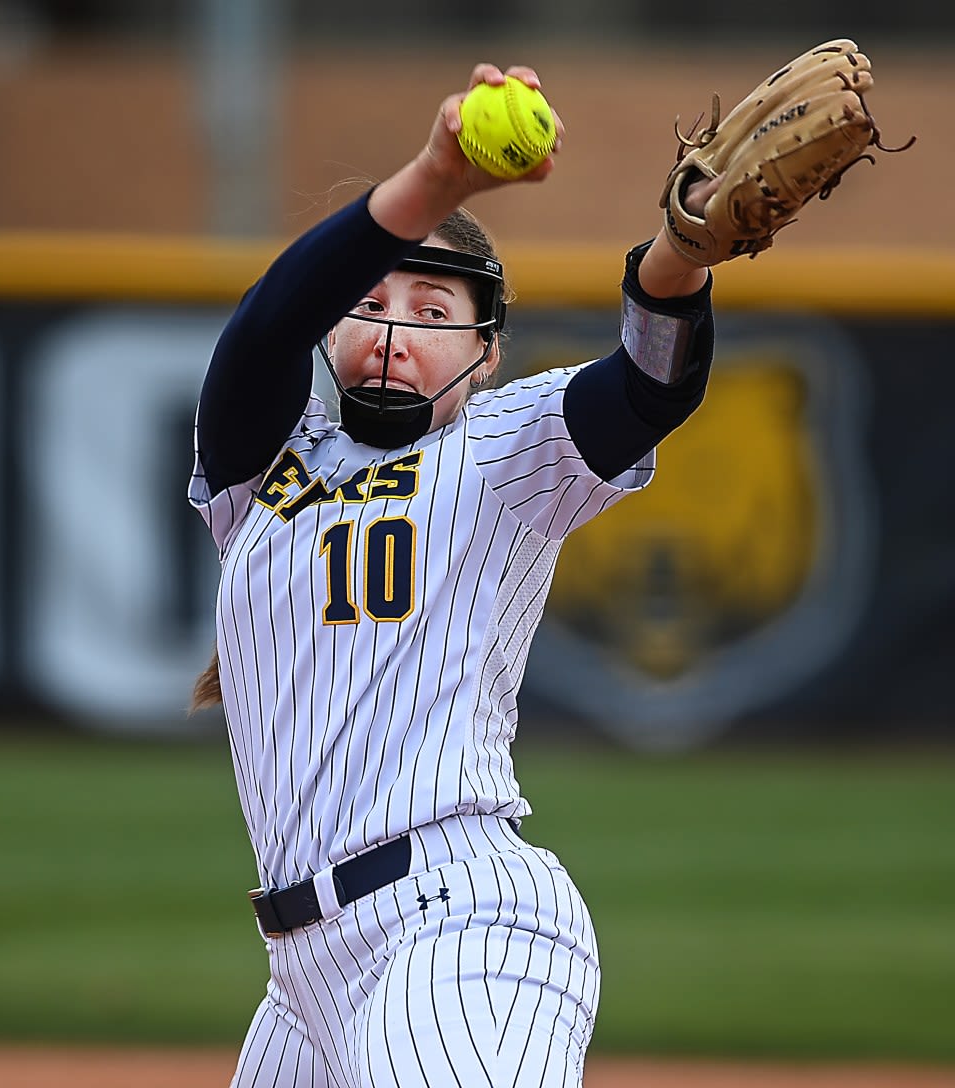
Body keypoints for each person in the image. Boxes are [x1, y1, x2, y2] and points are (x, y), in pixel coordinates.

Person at [189, 63, 715, 1088]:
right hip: (299, 979)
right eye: (367, 302)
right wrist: (435, 178)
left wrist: (677, 261)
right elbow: (262, 327)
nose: (391, 330)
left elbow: (649, 386)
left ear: (484, 352)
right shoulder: (257, 467)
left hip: (460, 922)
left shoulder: (502, 448)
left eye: (433, 309)